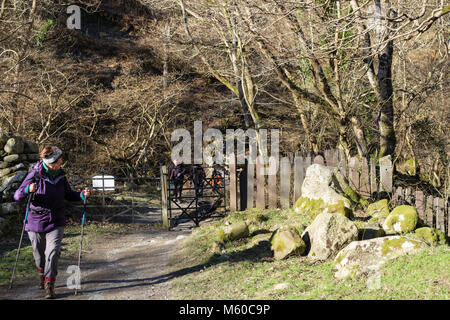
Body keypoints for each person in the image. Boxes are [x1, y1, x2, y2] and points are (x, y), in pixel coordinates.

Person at [14, 146, 91, 299]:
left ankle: (50, 285)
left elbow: (68, 194)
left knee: (53, 252)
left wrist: (82, 195)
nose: (61, 161)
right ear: (51, 162)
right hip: (35, 221)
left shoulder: (61, 176)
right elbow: (17, 196)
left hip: (56, 220)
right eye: (59, 160)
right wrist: (28, 189)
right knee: (39, 255)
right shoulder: (35, 174)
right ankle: (42, 273)